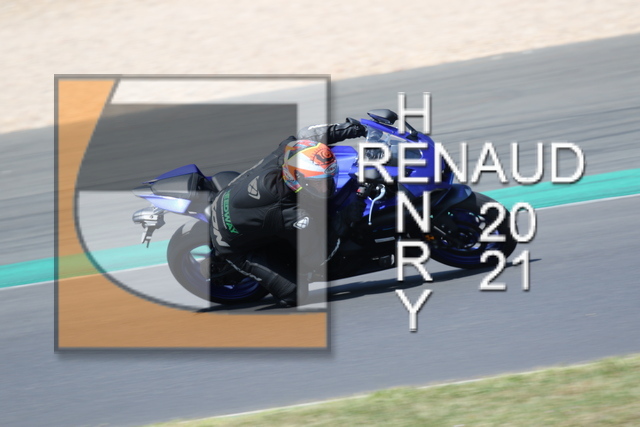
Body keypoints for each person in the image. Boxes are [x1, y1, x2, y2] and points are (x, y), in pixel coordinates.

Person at [209, 118, 368, 307]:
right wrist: (345, 219)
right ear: (298, 179)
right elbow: (318, 258)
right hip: (231, 243)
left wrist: (352, 129)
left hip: (232, 195)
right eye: (318, 183)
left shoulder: (289, 152)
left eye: (327, 179)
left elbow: (308, 135)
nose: (326, 187)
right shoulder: (292, 213)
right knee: (295, 294)